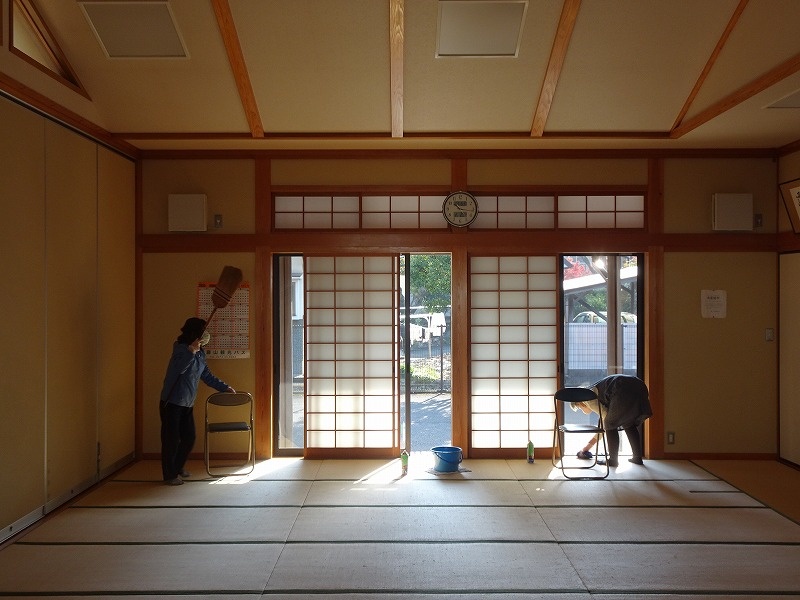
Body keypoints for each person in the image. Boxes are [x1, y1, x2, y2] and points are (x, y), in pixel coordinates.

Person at [159, 317, 235, 485]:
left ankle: (177, 467)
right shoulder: (180, 348)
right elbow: (179, 369)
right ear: (195, 333)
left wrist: (224, 387)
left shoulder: (200, 353)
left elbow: (206, 375)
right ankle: (170, 475)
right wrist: (190, 351)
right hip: (172, 403)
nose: (206, 334)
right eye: (203, 331)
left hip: (187, 403)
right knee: (171, 440)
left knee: (189, 437)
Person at [571, 374, 652, 467]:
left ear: (580, 403)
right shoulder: (592, 390)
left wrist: (587, 447)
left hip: (621, 387)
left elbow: (606, 423)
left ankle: (613, 460)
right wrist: (588, 447)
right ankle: (637, 458)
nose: (582, 411)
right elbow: (605, 420)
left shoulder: (587, 398)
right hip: (639, 385)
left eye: (579, 408)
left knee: (610, 424)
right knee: (629, 423)